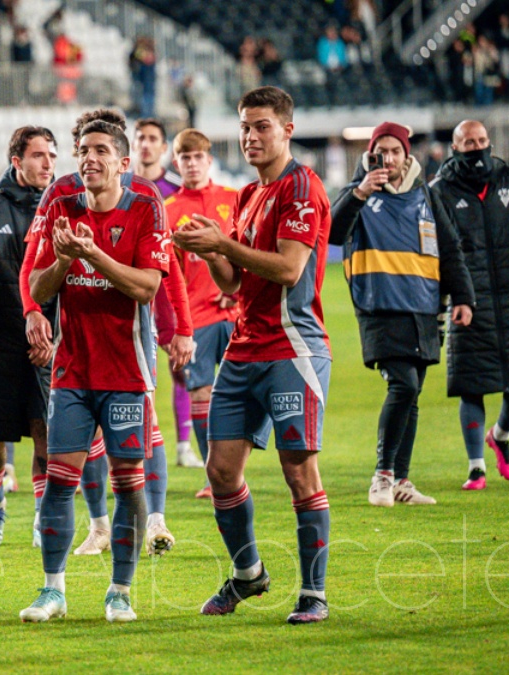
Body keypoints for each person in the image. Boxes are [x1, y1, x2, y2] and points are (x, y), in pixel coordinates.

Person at [174, 86, 333, 625]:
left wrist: (223, 244)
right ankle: (248, 574)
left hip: (293, 347)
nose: (250, 136)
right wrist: (207, 248)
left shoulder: (302, 187)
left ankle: (313, 593)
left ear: (287, 130)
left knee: (299, 472)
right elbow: (236, 282)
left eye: (261, 126)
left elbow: (288, 269)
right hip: (245, 348)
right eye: (244, 126)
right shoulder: (247, 195)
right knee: (220, 470)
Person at [18, 108, 193, 558]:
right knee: (85, 439)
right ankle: (98, 524)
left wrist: (180, 326)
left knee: (144, 428)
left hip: (130, 338)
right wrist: (33, 310)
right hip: (75, 342)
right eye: (82, 147)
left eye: (101, 148)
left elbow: (166, 272)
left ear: (120, 156)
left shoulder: (145, 197)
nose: (89, 158)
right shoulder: (60, 195)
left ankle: (154, 520)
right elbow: (33, 263)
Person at [332, 122, 475, 506]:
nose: (389, 158)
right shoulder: (358, 192)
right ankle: (382, 477)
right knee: (404, 386)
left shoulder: (426, 195)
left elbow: (450, 249)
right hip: (379, 305)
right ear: (371, 154)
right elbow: (331, 232)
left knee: (413, 396)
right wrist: (360, 192)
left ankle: (402, 481)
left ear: (406, 155)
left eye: (396, 151)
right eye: (382, 151)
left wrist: (463, 297)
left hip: (424, 306)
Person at [429, 120, 509, 490]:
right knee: (471, 386)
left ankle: (500, 435)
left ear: (489, 142)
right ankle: (476, 467)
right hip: (468, 302)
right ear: (455, 148)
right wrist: (449, 293)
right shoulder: (440, 191)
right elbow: (433, 249)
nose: (476, 147)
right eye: (468, 142)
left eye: (481, 140)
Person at [0, 125, 58, 547]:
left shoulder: (62, 208)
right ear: (17, 161)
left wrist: (56, 337)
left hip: (46, 343)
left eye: (52, 155)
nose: (48, 163)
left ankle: (41, 516)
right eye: (39, 155)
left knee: (46, 432)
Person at [162, 129, 241, 499]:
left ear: (209, 161)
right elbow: (167, 273)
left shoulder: (233, 199)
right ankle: (215, 477)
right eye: (185, 158)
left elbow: (248, 249)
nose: (192, 164)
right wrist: (172, 327)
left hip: (237, 313)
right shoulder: (169, 210)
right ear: (176, 163)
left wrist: (235, 289)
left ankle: (234, 469)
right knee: (200, 394)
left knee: (243, 394)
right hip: (196, 319)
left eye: (198, 157)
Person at [135, 117, 199, 470]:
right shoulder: (120, 186)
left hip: (168, 291)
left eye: (152, 139)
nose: (145, 144)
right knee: (134, 372)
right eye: (140, 138)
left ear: (163, 148)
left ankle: (184, 445)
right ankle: (139, 444)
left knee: (180, 367)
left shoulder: (175, 190)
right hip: (132, 288)